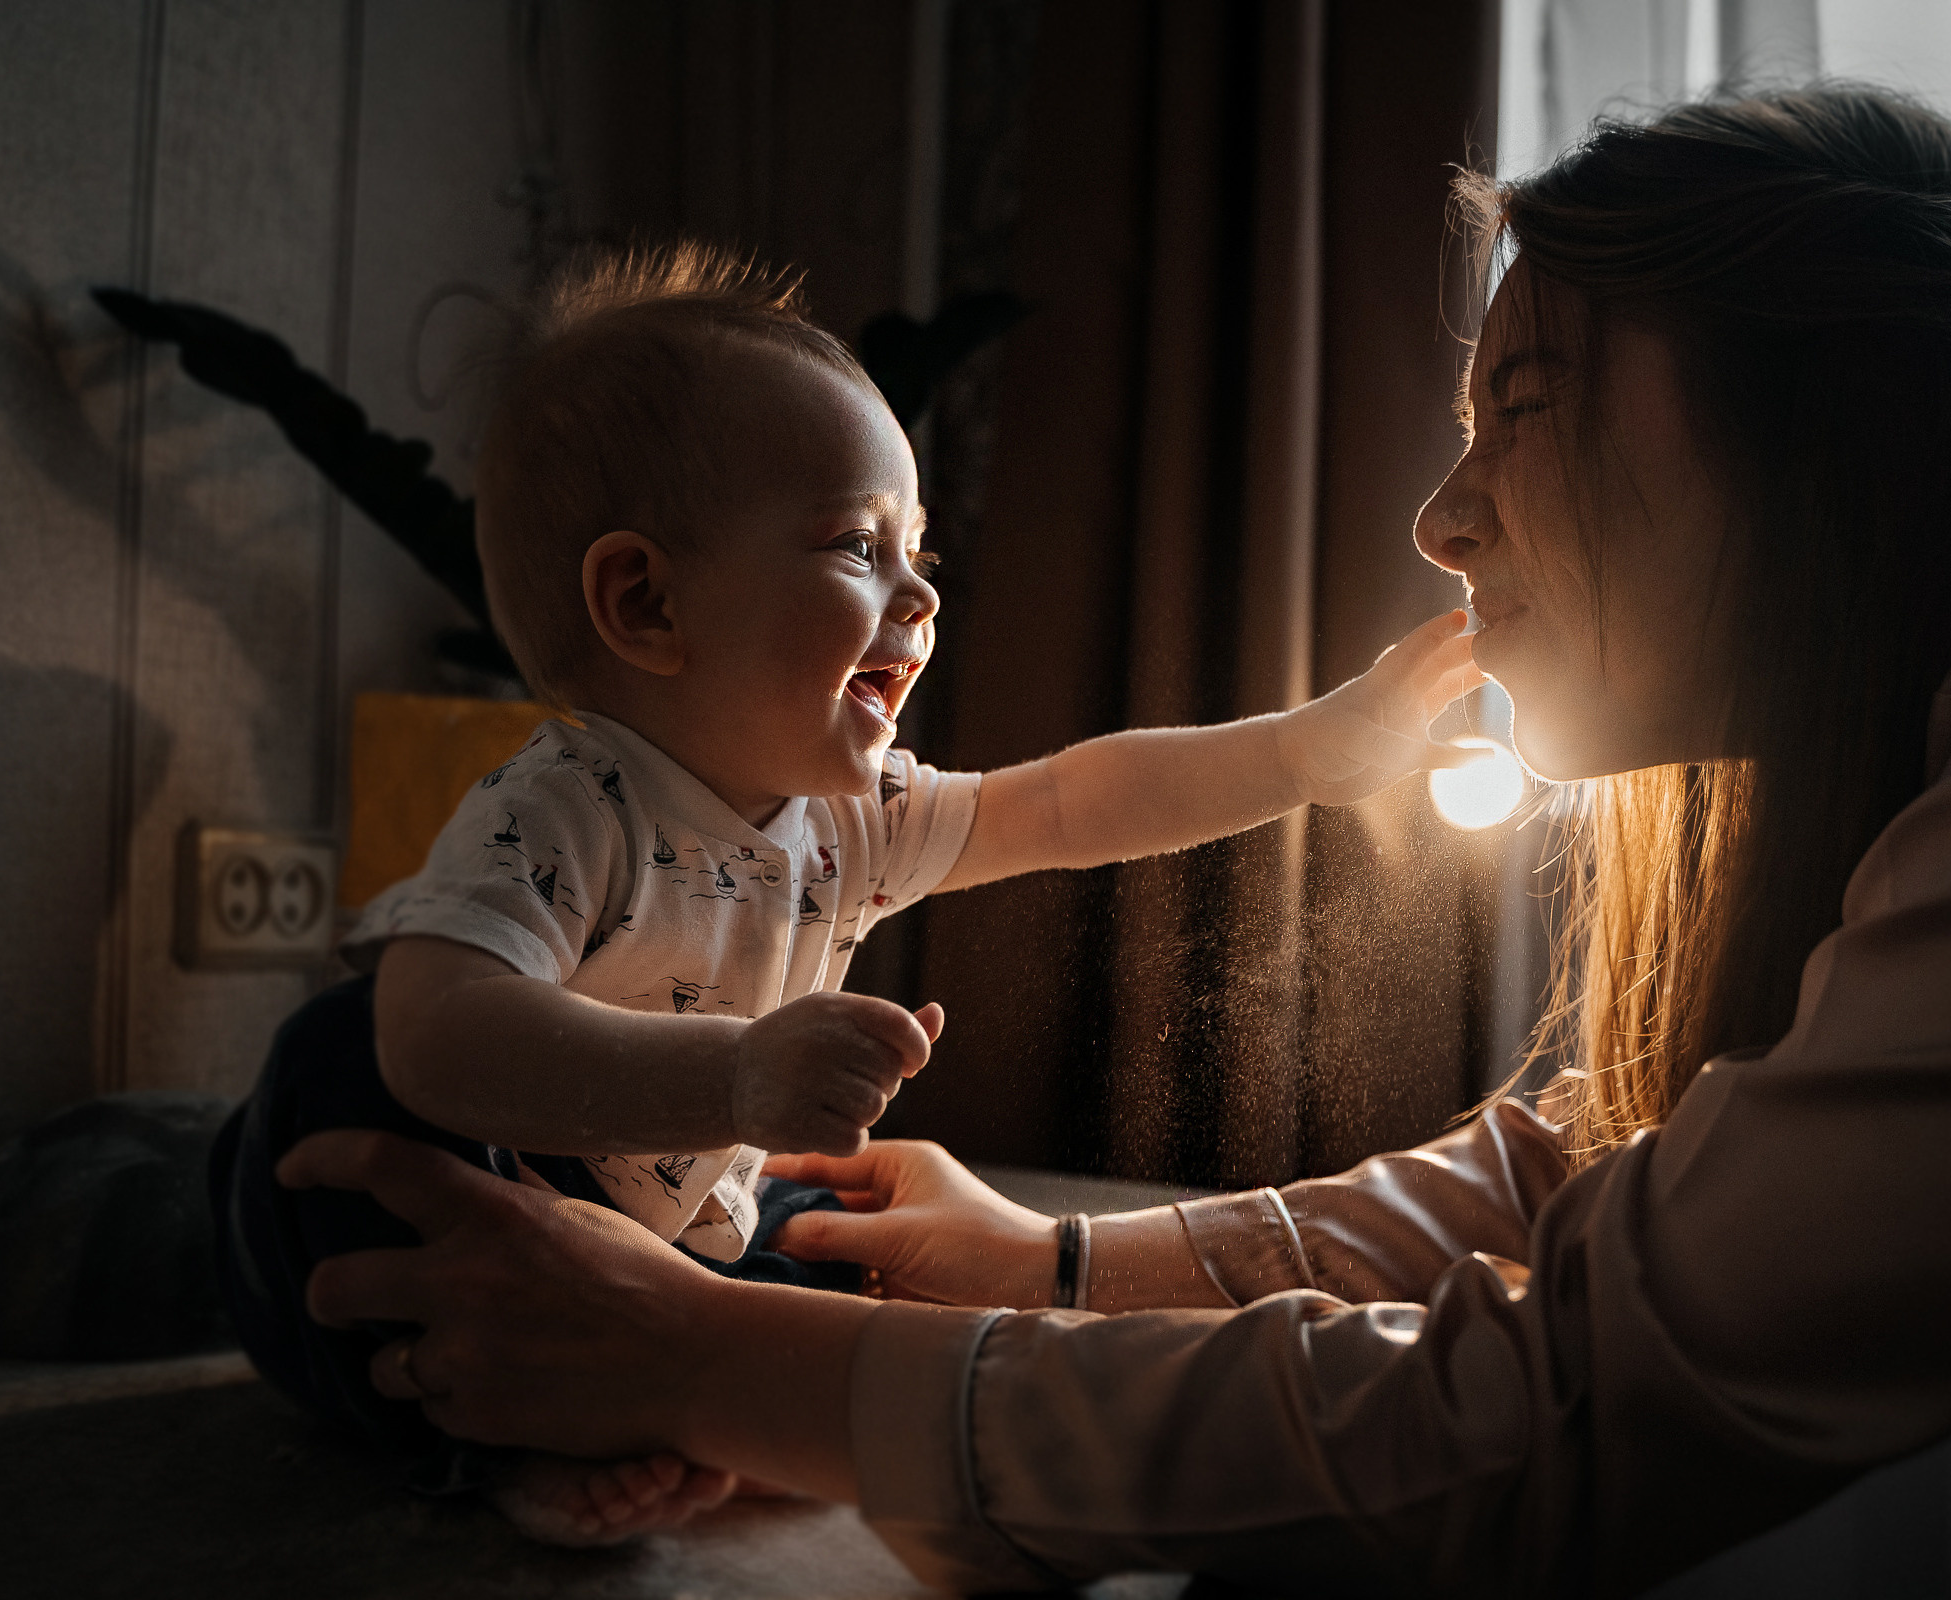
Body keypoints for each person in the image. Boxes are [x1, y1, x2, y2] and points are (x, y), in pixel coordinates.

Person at [271, 86, 1951, 1594]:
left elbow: (1562, 1409)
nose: (1443, 520)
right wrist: (1059, 1261)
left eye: (1522, 406)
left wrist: (712, 1355)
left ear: (1822, 420)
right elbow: (1575, 1165)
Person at [211, 243, 1486, 1541]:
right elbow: (438, 1035)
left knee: (852, 1253)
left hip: (682, 1221)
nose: (922, 597)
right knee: (334, 1069)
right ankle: (495, 1441)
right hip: (492, 1198)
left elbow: (1072, 803)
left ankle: (687, 1392)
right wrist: (735, 1079)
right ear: (646, 603)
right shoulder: (566, 810)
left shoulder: (851, 822)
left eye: (916, 550)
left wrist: (1306, 755)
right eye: (856, 546)